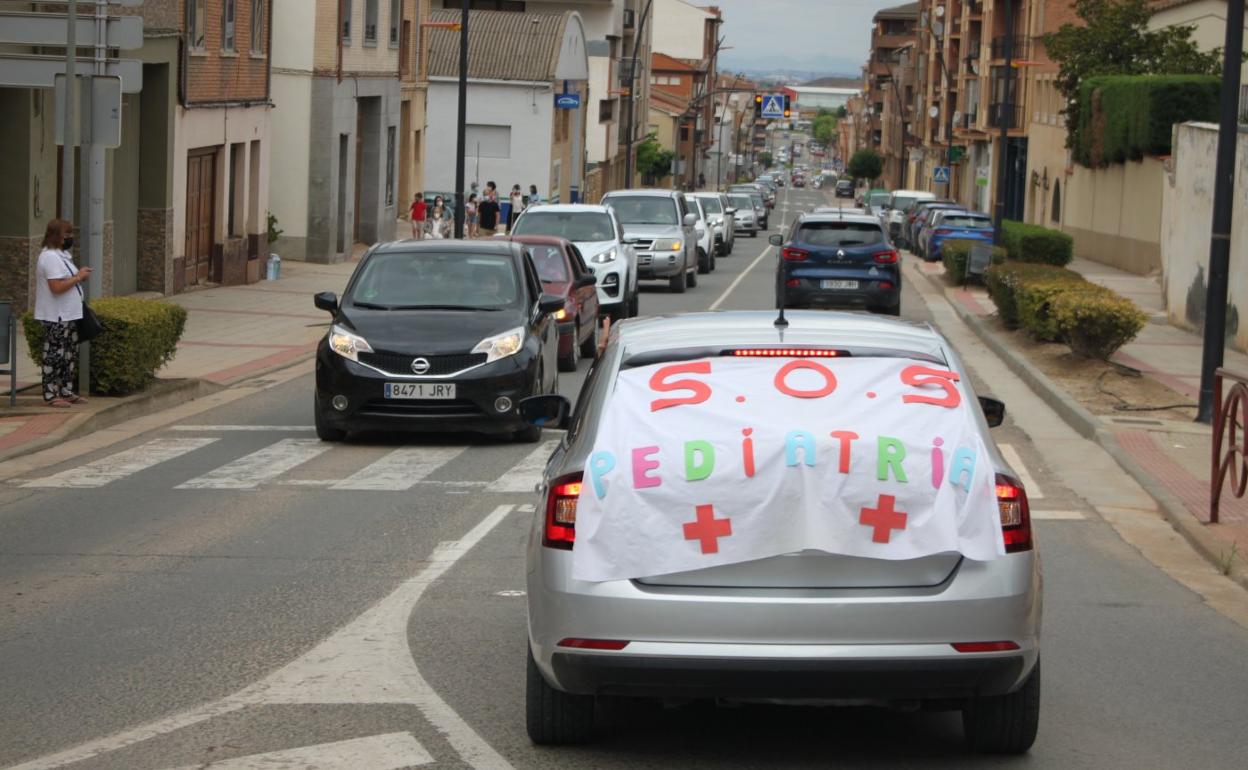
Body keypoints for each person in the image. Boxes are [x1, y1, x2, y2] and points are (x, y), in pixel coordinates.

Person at [34, 218, 90, 408]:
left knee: (68, 354)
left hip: (68, 314)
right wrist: (79, 277)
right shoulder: (49, 257)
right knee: (54, 354)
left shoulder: (61, 255)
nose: (70, 238)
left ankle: (66, 390)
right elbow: (56, 287)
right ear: (56, 236)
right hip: (56, 315)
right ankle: (50, 393)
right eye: (67, 234)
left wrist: (78, 276)